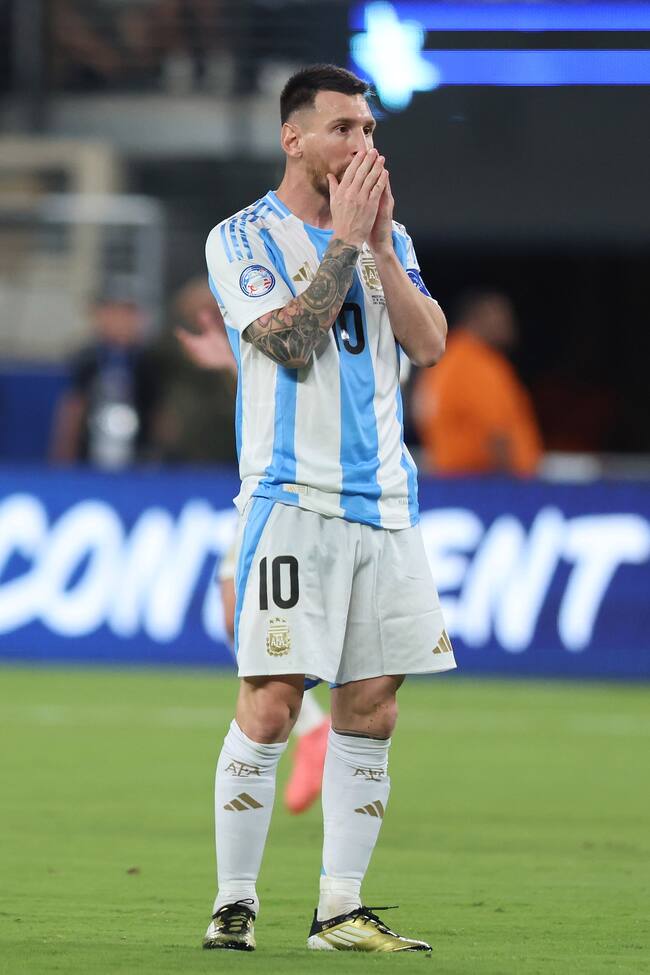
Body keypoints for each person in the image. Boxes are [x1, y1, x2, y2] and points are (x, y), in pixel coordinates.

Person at [202, 63, 455, 954]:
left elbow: (430, 347)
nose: (364, 144)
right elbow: (296, 344)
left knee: (373, 706)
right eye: (345, 127)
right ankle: (235, 900)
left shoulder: (397, 241)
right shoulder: (241, 239)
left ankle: (340, 908)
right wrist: (345, 245)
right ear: (294, 137)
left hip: (385, 504)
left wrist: (381, 247)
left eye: (370, 130)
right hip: (292, 500)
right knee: (272, 701)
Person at [176, 299, 330, 813]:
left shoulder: (334, 322)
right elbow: (273, 402)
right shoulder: (278, 334)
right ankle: (315, 729)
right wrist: (232, 364)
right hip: (268, 489)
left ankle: (323, 733)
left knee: (250, 614)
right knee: (236, 612)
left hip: (301, 493)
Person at [412, 290, 543, 476]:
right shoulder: (477, 362)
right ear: (478, 318)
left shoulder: (445, 357)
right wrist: (512, 486)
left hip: (449, 478)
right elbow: (496, 433)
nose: (509, 324)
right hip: (483, 482)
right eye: (501, 315)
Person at [49, 281, 161, 468]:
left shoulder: (149, 360)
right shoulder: (87, 358)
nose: (120, 321)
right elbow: (73, 406)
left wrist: (158, 454)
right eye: (112, 313)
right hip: (90, 450)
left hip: (138, 452)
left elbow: (159, 411)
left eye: (127, 314)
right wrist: (64, 452)